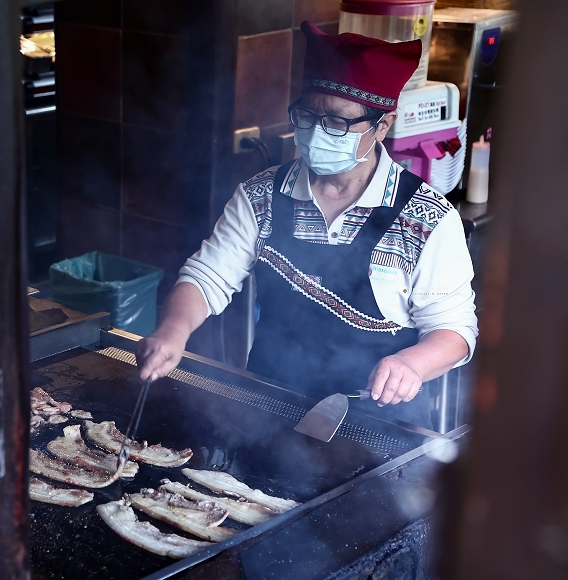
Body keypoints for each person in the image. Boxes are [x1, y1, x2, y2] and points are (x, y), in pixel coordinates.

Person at [136, 21, 478, 428]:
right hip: (268, 401)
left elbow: (454, 329)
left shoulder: (428, 218)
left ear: (382, 125)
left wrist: (411, 364)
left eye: (335, 122)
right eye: (307, 116)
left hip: (376, 421)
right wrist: (173, 331)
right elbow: (207, 276)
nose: (317, 132)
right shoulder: (261, 195)